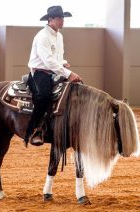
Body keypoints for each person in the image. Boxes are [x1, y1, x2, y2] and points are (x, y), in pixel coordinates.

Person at [25, 5, 82, 146]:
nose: (62, 20)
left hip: (54, 71)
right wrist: (69, 73)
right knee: (44, 96)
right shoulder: (42, 36)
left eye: (63, 17)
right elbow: (48, 61)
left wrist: (63, 62)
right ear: (50, 19)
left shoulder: (59, 36)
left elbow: (56, 57)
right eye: (59, 18)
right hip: (40, 73)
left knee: (74, 89)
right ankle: (36, 129)